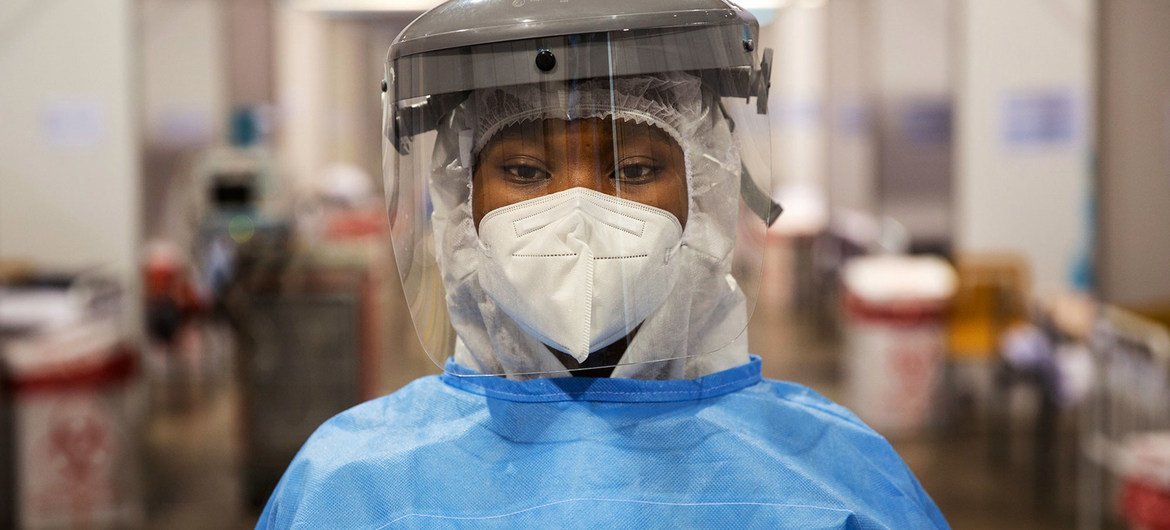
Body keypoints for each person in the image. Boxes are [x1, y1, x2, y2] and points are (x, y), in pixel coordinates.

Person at [258, 0, 948, 527]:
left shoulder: (838, 483)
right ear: (461, 205)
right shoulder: (345, 487)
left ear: (704, 197)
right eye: (526, 171)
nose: (579, 217)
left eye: (634, 168)